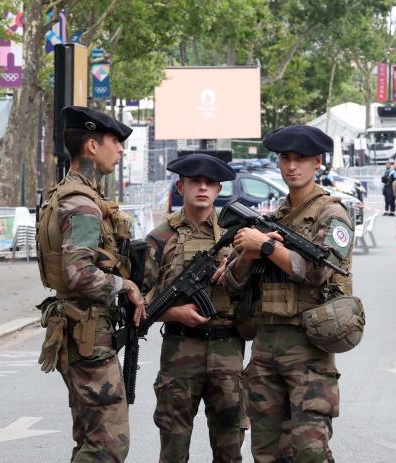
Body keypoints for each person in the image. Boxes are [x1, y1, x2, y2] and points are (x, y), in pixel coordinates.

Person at [220, 125, 354, 462]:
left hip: (308, 348)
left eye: (301, 159)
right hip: (265, 347)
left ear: (317, 162)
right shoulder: (272, 218)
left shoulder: (332, 214)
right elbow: (232, 284)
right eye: (285, 159)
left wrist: (265, 248)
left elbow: (319, 271)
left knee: (310, 451)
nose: (292, 166)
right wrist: (248, 256)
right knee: (267, 452)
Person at [35, 106, 145, 462]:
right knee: (108, 443)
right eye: (116, 141)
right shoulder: (83, 204)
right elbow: (78, 273)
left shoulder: (63, 193)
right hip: (88, 332)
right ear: (92, 146)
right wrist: (123, 285)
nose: (121, 149)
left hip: (76, 327)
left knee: (88, 437)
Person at [142, 153, 247, 462]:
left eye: (210, 183)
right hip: (179, 350)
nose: (202, 188)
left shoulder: (239, 239)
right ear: (180, 186)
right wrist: (174, 313)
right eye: (195, 182)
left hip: (228, 349)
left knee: (229, 449)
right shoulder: (160, 238)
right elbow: (137, 298)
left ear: (218, 190)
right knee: (173, 447)